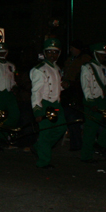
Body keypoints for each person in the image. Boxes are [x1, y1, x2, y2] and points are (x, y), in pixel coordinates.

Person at [80, 43, 106, 162]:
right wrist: (90, 102)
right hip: (92, 100)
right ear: (95, 54)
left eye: (104, 55)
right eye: (101, 55)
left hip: (102, 100)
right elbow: (85, 86)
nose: (104, 57)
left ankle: (101, 144)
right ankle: (86, 156)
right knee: (91, 128)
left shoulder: (105, 69)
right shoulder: (87, 67)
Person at [30, 38, 66, 169]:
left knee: (61, 128)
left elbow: (55, 86)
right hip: (45, 103)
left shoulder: (56, 67)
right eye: (49, 52)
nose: (52, 55)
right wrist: (37, 110)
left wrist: (63, 86)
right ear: (44, 53)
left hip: (56, 103)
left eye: (55, 52)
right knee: (46, 133)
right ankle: (43, 162)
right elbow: (36, 92)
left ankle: (39, 147)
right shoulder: (39, 69)